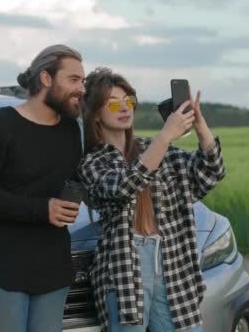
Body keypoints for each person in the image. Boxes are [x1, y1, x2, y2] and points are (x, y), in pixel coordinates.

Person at [78, 68, 226, 332]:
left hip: (171, 257)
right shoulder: (93, 162)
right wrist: (166, 136)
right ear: (96, 115)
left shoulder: (153, 147)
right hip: (124, 265)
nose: (124, 108)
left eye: (129, 101)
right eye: (113, 103)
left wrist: (200, 124)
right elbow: (125, 185)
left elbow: (209, 172)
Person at [0, 44, 85, 332]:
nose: (81, 88)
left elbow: (75, 180)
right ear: (46, 79)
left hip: (54, 265)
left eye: (83, 81)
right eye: (74, 79)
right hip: (4, 265)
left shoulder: (69, 130)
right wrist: (42, 209)